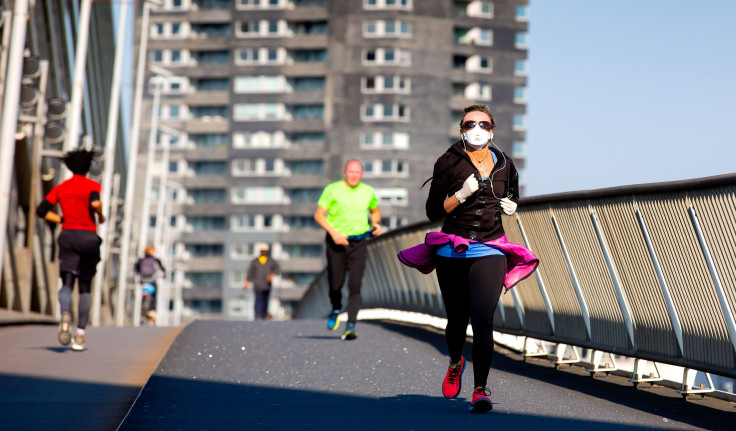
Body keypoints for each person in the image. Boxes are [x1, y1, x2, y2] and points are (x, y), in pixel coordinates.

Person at [397, 105, 539, 413]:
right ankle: (455, 362)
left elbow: (513, 194)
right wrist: (461, 194)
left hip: (490, 247)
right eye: (470, 124)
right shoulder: (448, 162)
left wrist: (512, 206)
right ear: (461, 130)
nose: (477, 128)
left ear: (492, 129)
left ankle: (480, 389)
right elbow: (433, 212)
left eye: (483, 124)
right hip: (452, 249)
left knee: (483, 319)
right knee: (457, 321)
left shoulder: (506, 165)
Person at [36, 149, 106, 351]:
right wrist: (100, 215)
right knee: (85, 286)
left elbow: (41, 210)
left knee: (67, 281)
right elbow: (95, 202)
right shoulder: (92, 185)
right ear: (88, 166)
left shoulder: (61, 188)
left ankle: (65, 311)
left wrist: (61, 219)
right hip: (88, 238)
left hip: (68, 236)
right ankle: (80, 335)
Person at [314, 159, 382, 341]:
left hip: (359, 242)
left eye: (358, 173)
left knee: (355, 285)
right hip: (336, 241)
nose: (354, 176)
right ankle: (336, 307)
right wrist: (334, 233)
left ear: (361, 174)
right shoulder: (332, 189)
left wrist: (376, 223)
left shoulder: (368, 191)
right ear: (345, 172)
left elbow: (375, 211)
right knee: (335, 284)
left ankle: (351, 325)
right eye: (351, 172)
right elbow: (319, 215)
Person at [243, 244, 280, 320]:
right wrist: (246, 283)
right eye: (262, 251)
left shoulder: (271, 261)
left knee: (265, 300)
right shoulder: (255, 262)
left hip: (267, 285)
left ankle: (263, 315)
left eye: (265, 251)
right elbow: (250, 273)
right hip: (257, 284)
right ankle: (257, 315)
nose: (263, 252)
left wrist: (272, 275)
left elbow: (277, 270)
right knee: (258, 299)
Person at [134, 245, 166, 324]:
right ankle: (152, 311)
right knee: (154, 296)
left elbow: (136, 270)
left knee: (144, 296)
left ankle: (143, 310)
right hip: (152, 281)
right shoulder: (155, 260)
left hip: (143, 281)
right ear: (152, 251)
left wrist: (139, 279)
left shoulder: (141, 260)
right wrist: (164, 276)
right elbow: (162, 270)